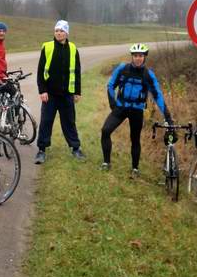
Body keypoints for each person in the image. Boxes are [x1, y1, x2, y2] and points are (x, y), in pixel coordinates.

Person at [100, 43, 172, 178]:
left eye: (141, 56)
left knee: (135, 139)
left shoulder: (148, 75)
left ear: (144, 57)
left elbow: (157, 96)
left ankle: (135, 169)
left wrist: (167, 116)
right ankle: (106, 162)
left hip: (137, 111)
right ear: (132, 57)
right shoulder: (123, 69)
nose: (138, 58)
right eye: (135, 56)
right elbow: (110, 86)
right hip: (120, 108)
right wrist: (113, 104)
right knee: (105, 131)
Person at [34, 20, 85, 164]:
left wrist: (77, 92)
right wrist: (42, 90)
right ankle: (41, 150)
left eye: (61, 31)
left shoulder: (73, 49)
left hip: (67, 94)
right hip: (50, 94)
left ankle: (75, 148)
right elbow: (40, 71)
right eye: (56, 30)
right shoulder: (48, 47)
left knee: (69, 122)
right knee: (46, 121)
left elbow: (77, 71)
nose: (58, 33)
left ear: (67, 33)